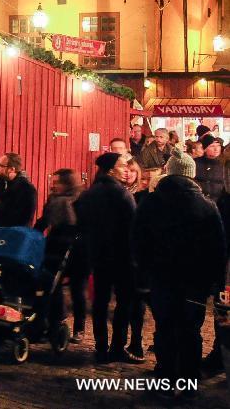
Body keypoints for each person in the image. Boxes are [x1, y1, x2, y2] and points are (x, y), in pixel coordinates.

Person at [133, 153, 226, 396]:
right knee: (190, 330)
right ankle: (188, 381)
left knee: (164, 327)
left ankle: (164, 376)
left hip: (160, 279)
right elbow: (218, 248)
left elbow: (137, 242)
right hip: (194, 283)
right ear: (191, 174)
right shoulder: (206, 206)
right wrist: (215, 283)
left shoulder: (150, 203)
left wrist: (144, 273)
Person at [74, 152, 140, 363]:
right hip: (122, 257)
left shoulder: (88, 194)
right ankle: (117, 347)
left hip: (98, 256)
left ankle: (101, 346)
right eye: (122, 166)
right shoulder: (122, 194)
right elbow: (134, 227)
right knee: (124, 302)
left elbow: (81, 225)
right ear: (111, 169)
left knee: (100, 302)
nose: (127, 169)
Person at [35, 168, 86, 342]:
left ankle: (79, 328)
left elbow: (81, 224)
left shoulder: (79, 200)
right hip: (55, 247)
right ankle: (55, 319)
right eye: (53, 181)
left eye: (57, 182)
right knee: (51, 283)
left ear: (68, 184)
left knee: (77, 289)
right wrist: (32, 234)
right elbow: (45, 220)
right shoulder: (53, 200)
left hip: (75, 249)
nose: (53, 185)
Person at [0, 153, 37, 233]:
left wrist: (0, 206)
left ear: (12, 169)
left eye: (1, 166)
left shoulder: (27, 189)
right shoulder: (0, 182)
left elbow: (25, 219)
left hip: (12, 237)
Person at [194, 135, 225, 202]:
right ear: (205, 149)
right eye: (212, 146)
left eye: (218, 146)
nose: (216, 149)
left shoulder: (224, 164)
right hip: (200, 202)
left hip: (220, 204)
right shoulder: (195, 163)